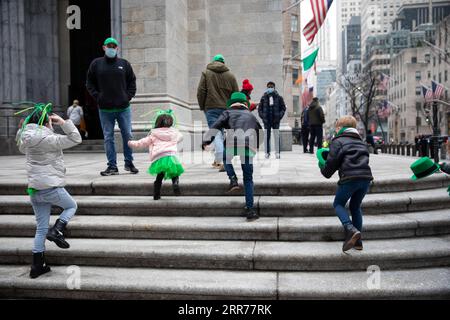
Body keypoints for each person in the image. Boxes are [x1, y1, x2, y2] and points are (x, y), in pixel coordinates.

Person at [15, 103, 82, 279]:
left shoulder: (25, 139)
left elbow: (20, 143)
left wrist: (23, 128)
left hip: (35, 190)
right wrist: (64, 122)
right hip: (50, 187)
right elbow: (76, 138)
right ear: (47, 123)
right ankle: (58, 230)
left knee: (40, 228)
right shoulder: (51, 139)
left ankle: (37, 265)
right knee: (71, 206)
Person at [202, 92, 262, 221]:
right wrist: (257, 145)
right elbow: (260, 131)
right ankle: (250, 210)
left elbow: (216, 126)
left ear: (231, 103)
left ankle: (233, 178)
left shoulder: (227, 113)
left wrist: (206, 141)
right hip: (248, 147)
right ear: (245, 104)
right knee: (248, 179)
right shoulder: (251, 115)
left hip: (231, 144)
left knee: (225, 158)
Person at [319, 115, 373, 252]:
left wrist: (322, 166)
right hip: (366, 179)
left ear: (340, 128)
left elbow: (330, 166)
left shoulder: (338, 141)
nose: (335, 131)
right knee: (355, 207)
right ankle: (358, 242)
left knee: (338, 204)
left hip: (349, 178)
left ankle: (350, 229)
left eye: (336, 128)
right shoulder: (362, 142)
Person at [86, 37, 138, 176]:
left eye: (114, 46)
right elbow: (89, 83)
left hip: (123, 108)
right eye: (109, 46)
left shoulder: (124, 64)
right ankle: (112, 166)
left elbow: (132, 82)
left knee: (128, 135)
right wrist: (98, 97)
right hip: (105, 109)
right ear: (104, 47)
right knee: (108, 137)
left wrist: (127, 96)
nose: (111, 48)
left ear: (117, 48)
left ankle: (129, 163)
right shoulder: (96, 64)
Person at [128, 110, 184, 200]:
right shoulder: (174, 133)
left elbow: (142, 142)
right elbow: (181, 137)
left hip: (159, 157)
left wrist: (131, 143)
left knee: (159, 177)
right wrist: (175, 132)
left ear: (157, 122)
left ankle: (156, 195)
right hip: (171, 156)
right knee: (174, 173)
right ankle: (175, 183)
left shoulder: (153, 134)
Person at [197, 54, 239, 172]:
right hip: (227, 108)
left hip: (211, 107)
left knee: (215, 132)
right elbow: (236, 94)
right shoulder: (230, 75)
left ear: (214, 61)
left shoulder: (206, 72)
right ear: (223, 62)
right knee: (223, 134)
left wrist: (202, 106)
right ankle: (219, 159)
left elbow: (201, 91)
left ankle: (221, 157)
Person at [258, 81, 286, 159]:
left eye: (271, 87)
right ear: (267, 88)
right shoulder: (263, 97)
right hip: (267, 120)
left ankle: (277, 153)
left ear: (274, 88)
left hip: (276, 120)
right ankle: (267, 152)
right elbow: (260, 109)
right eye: (269, 87)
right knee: (267, 137)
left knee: (276, 136)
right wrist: (263, 116)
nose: (270, 88)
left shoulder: (279, 97)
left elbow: (283, 108)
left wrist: (279, 116)